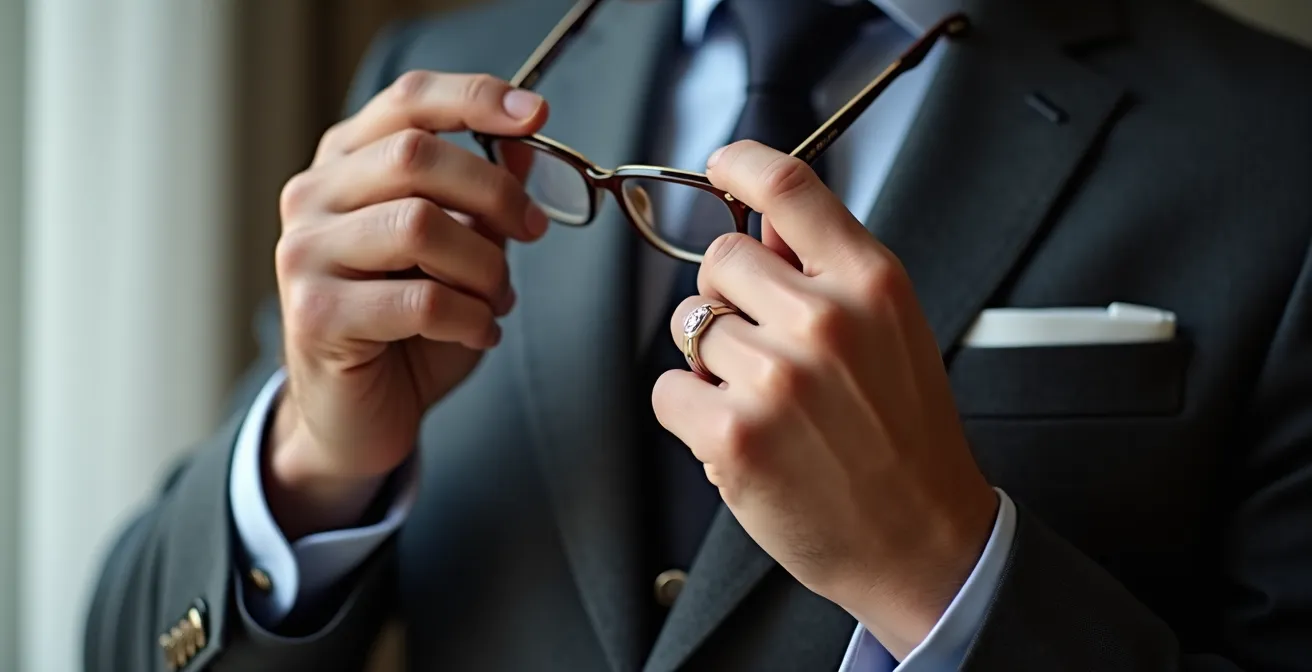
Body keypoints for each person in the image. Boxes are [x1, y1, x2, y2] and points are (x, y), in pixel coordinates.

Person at [85, 0, 1312, 669]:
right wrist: (309, 459)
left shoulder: (1271, 144)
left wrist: (940, 573)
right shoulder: (442, 72)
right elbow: (121, 649)